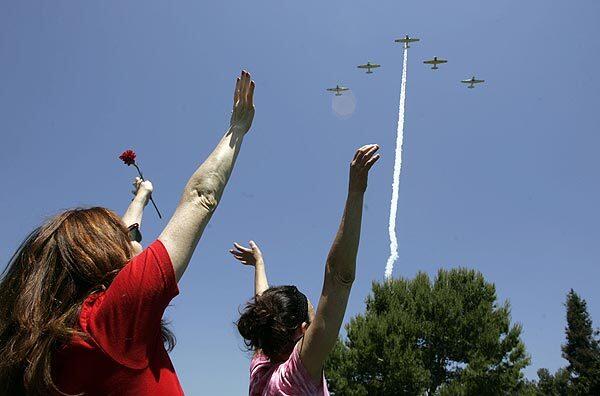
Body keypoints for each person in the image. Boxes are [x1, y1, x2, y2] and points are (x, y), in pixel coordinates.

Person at [0, 70, 256, 396]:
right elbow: (200, 198)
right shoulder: (110, 325)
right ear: (101, 266)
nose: (135, 244)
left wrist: (141, 197)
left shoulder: (48, 355)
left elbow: (128, 235)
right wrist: (237, 129)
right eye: (123, 243)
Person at [232, 144, 380, 395]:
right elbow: (339, 278)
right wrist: (356, 190)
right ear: (302, 331)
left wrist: (259, 263)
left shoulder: (260, 369)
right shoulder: (295, 375)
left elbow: (265, 307)